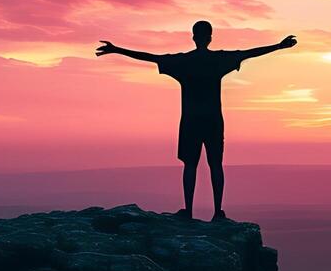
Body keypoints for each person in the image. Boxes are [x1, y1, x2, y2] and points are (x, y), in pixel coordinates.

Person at [97, 21, 297, 220]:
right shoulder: (220, 60)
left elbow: (151, 57)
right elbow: (249, 53)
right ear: (210, 37)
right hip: (213, 120)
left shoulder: (182, 62)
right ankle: (218, 212)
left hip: (191, 121)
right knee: (216, 165)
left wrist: (117, 50)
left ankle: (189, 211)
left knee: (190, 165)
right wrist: (279, 46)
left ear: (193, 37)